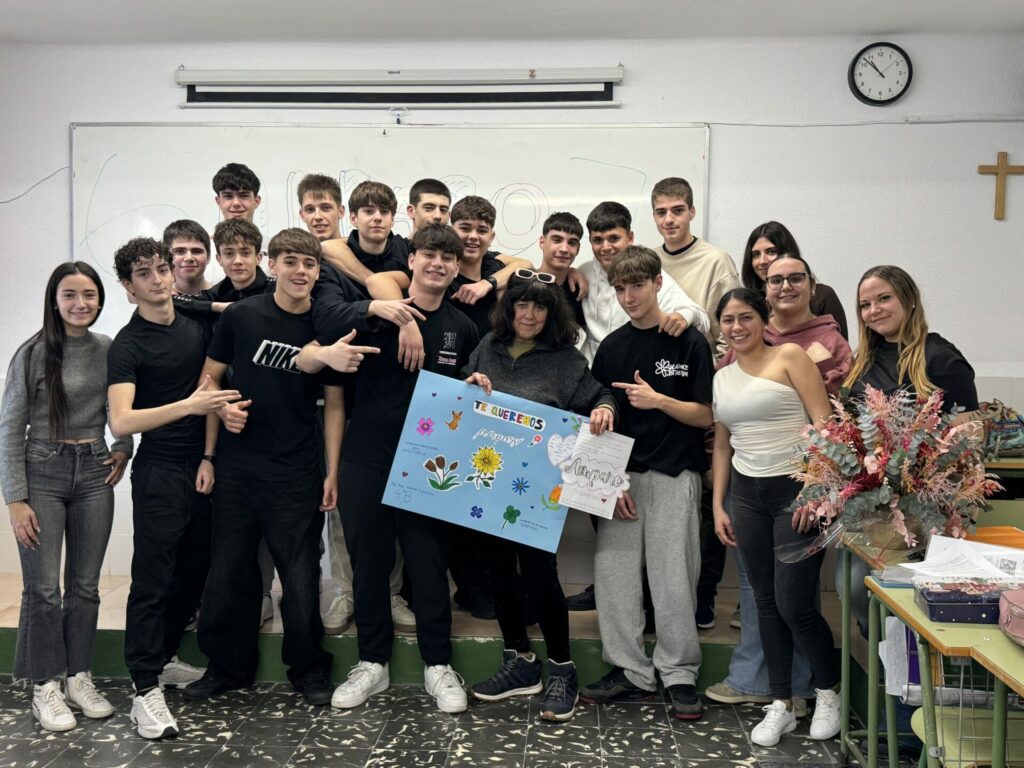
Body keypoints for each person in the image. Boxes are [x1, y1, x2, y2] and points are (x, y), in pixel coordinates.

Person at [183, 228, 345, 708]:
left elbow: (335, 405)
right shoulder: (242, 316)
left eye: (310, 264)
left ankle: (308, 668)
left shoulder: (324, 325)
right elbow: (209, 381)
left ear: (319, 271)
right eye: (291, 261)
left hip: (296, 471)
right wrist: (216, 429)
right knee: (228, 574)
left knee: (300, 579)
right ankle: (226, 668)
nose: (301, 271)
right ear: (271, 265)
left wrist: (332, 471)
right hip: (237, 470)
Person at [324, 224, 479, 714]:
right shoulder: (377, 315)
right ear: (410, 260)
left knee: (428, 564)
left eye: (448, 258)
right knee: (369, 565)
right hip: (367, 458)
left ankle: (438, 664)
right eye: (429, 254)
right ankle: (373, 662)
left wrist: (477, 384)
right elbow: (327, 324)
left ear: (456, 269)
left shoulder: (463, 327)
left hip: (430, 465)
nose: (438, 263)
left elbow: (466, 397)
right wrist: (385, 310)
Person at [464, 269, 616, 721]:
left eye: (540, 306)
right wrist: (467, 384)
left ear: (552, 313)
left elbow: (599, 394)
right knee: (496, 573)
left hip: (536, 488)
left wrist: (605, 407)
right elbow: (460, 393)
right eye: (521, 304)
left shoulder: (565, 360)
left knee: (539, 574)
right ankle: (520, 662)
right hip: (486, 480)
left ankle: (562, 669)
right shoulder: (487, 347)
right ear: (508, 308)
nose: (529, 314)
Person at [107, 238, 241, 739]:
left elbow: (211, 391)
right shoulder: (127, 344)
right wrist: (188, 406)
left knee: (194, 572)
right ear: (128, 287)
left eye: (162, 269)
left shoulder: (195, 324)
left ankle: (162, 659)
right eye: (144, 274)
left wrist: (208, 455)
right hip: (159, 470)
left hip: (200, 466)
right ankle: (143, 688)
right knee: (153, 580)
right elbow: (122, 420)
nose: (158, 279)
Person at [706, 255, 851, 714]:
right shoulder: (721, 376)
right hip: (747, 496)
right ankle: (781, 702)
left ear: (763, 317)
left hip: (795, 492)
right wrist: (718, 506)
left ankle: (827, 692)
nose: (737, 327)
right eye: (728, 320)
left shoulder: (790, 356)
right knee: (765, 604)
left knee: (795, 604)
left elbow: (825, 426)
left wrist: (816, 490)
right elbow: (723, 445)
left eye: (745, 317)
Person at [580, 246, 714, 721]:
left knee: (674, 578)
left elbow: (707, 415)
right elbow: (600, 418)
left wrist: (659, 401)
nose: (628, 296)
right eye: (620, 288)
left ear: (658, 283)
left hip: (675, 475)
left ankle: (678, 674)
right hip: (623, 477)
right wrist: (610, 481)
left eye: (637, 285)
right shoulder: (612, 348)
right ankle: (630, 670)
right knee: (614, 578)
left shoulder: (689, 341)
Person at [0, 262, 132, 733]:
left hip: (94, 470)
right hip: (42, 471)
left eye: (89, 294)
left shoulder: (108, 348)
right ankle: (45, 686)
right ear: (54, 302)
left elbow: (121, 409)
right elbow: (10, 427)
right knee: (42, 589)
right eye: (70, 295)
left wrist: (123, 446)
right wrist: (15, 499)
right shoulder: (32, 353)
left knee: (85, 587)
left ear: (100, 299)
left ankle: (79, 677)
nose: (81, 304)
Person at [294, 172, 417, 636]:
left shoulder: (407, 251)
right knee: (346, 505)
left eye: (384, 211)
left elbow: (422, 285)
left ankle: (391, 591)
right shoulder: (330, 259)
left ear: (393, 216)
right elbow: (327, 317)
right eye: (368, 211)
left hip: (399, 399)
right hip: (345, 397)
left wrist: (402, 315)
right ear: (353, 216)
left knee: (399, 500)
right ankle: (346, 589)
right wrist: (377, 308)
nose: (377, 218)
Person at [841, 264, 978, 631]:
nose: (874, 310)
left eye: (884, 298)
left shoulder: (941, 357)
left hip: (926, 510)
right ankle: (882, 661)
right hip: (871, 508)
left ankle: (908, 666)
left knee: (907, 606)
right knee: (852, 591)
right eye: (865, 304)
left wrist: (927, 482)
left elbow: (969, 440)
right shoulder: (861, 361)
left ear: (909, 300)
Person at [650, 177, 741, 629]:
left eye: (677, 210)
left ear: (691, 212)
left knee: (708, 495)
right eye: (661, 212)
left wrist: (716, 376)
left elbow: (731, 325)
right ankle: (660, 597)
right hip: (656, 389)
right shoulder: (649, 261)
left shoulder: (715, 260)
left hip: (703, 389)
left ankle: (704, 595)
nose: (670, 219)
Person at [740, 221, 848, 338]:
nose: (762, 261)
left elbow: (841, 345)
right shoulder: (748, 304)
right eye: (756, 254)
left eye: (771, 252)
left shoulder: (823, 296)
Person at [163, 220, 214, 296]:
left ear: (208, 257)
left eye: (196, 251)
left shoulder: (224, 297)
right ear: (166, 257)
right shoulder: (158, 300)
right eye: (180, 251)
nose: (189, 258)